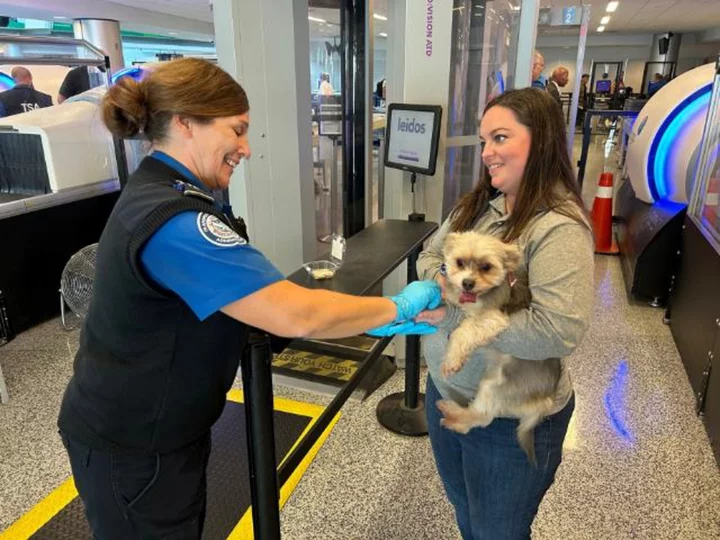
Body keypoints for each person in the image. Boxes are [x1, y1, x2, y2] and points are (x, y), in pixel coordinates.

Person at [56, 58, 440, 539]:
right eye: (236, 130)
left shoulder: (167, 190)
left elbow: (245, 302)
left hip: (152, 429)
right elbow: (295, 313)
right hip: (134, 445)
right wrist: (397, 307)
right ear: (186, 124)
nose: (246, 148)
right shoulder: (178, 221)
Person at [415, 88, 594, 540]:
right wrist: (443, 277)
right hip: (446, 391)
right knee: (465, 513)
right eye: (483, 141)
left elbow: (556, 333)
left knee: (496, 531)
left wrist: (455, 316)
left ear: (542, 140)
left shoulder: (556, 227)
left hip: (510, 417)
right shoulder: (478, 205)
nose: (487, 153)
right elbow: (428, 256)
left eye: (499, 138)